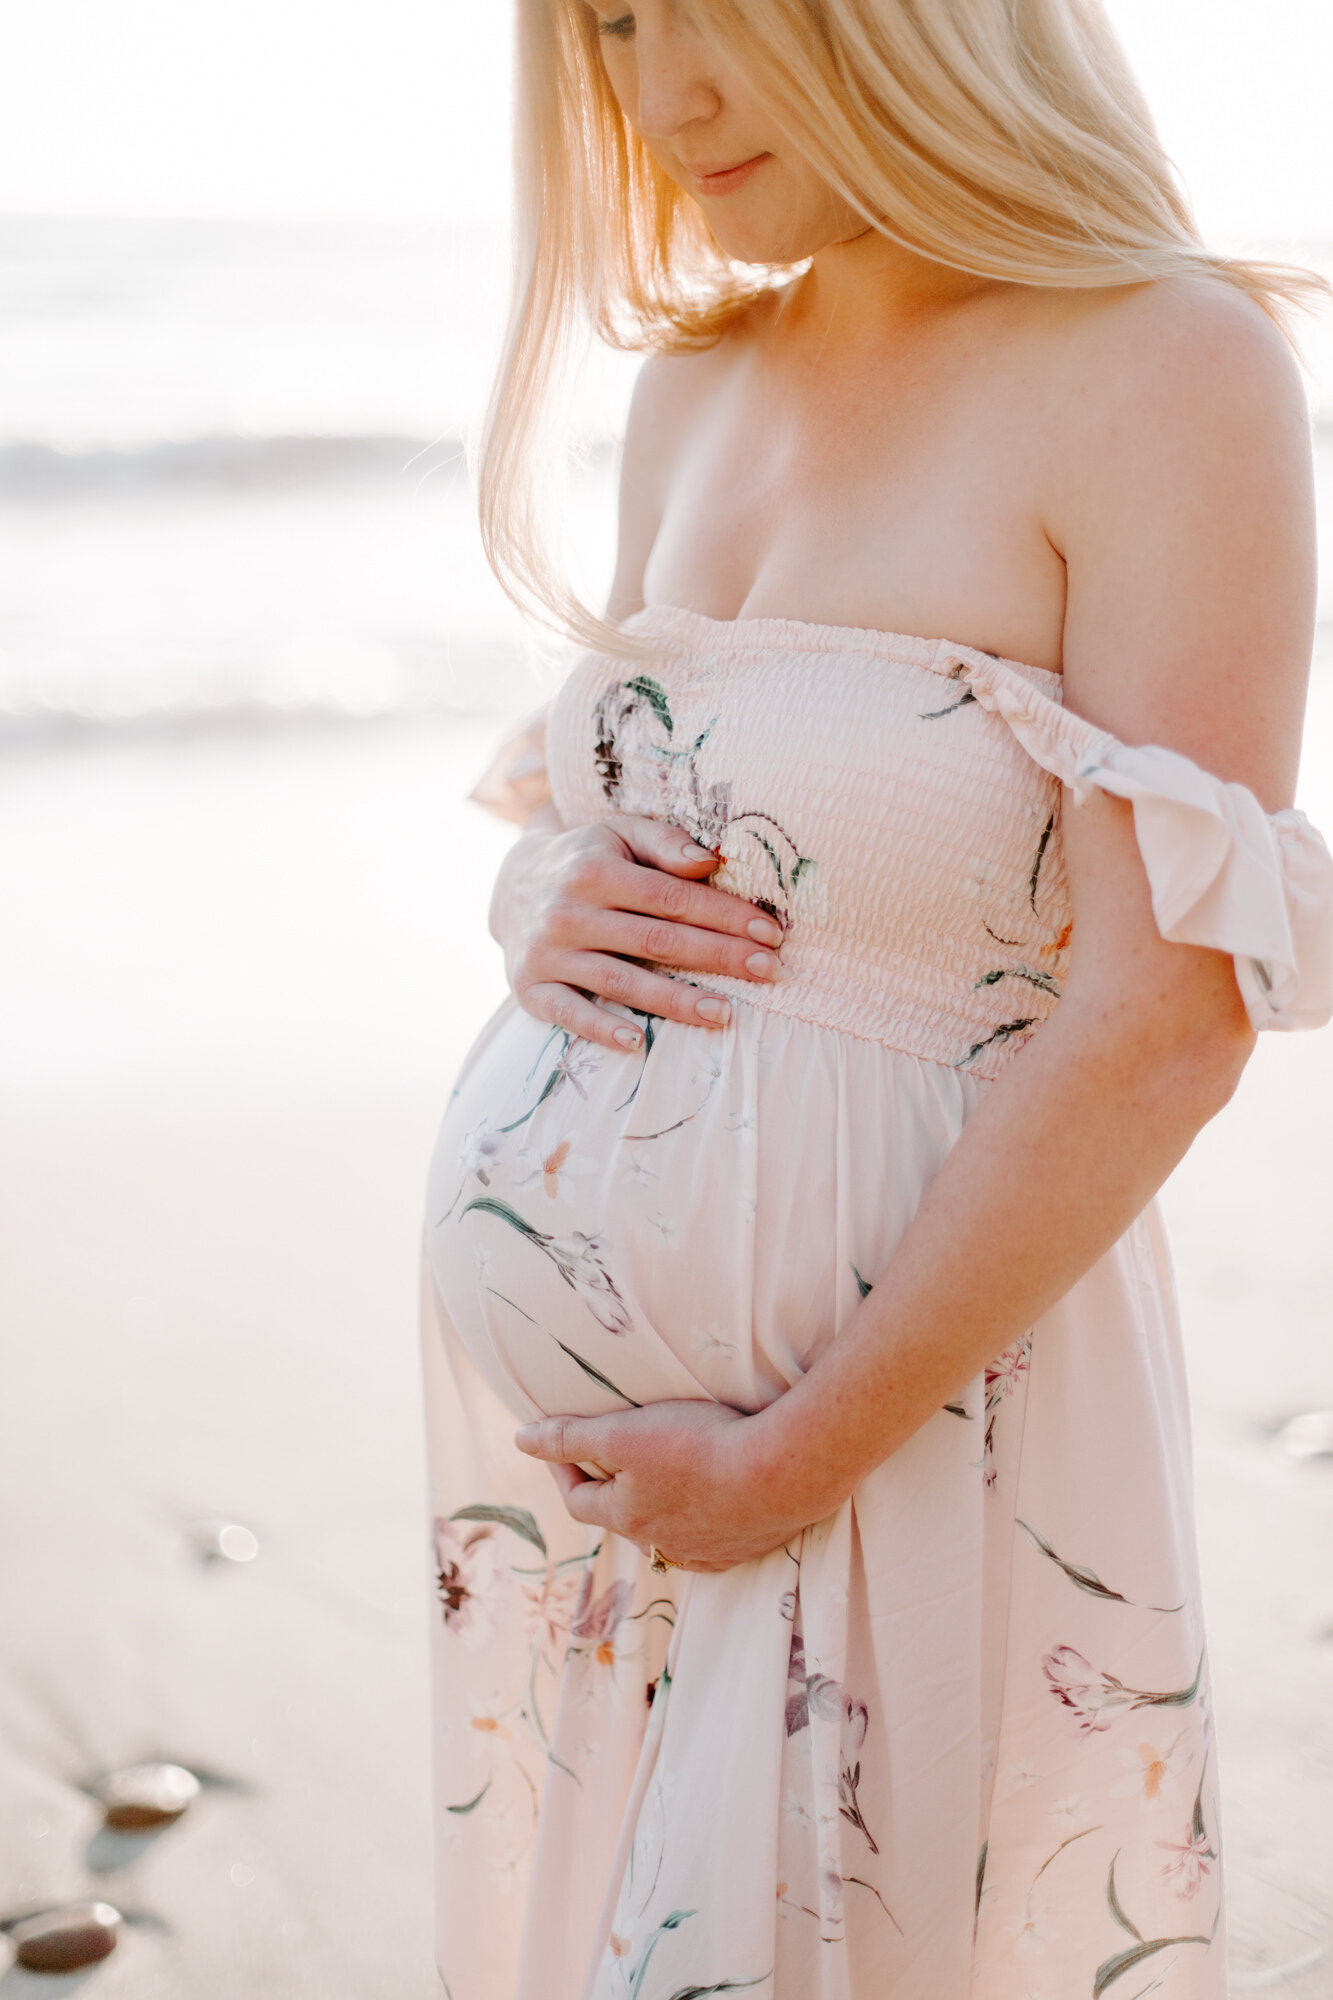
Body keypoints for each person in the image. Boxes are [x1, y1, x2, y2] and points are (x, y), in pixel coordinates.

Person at [420, 1, 1333, 1994]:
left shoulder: (1164, 368)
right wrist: (542, 891)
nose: (658, 98)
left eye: (714, 16)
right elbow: (677, 824)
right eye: (614, 25)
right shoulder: (697, 390)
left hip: (895, 1436)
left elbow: (1163, 1018)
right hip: (623, 1520)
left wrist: (798, 1455)